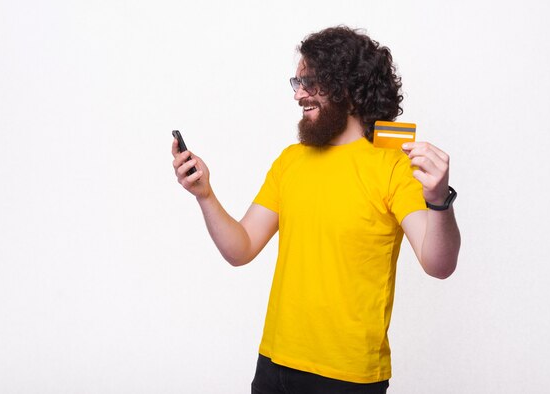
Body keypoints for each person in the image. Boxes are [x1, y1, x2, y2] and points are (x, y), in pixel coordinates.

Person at [171, 26, 460, 394]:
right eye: (297, 81)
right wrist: (204, 194)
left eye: (311, 83)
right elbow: (240, 248)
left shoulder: (393, 165)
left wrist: (438, 201)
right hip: (273, 364)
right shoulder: (290, 161)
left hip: (347, 376)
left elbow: (439, 264)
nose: (299, 94)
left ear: (347, 88)